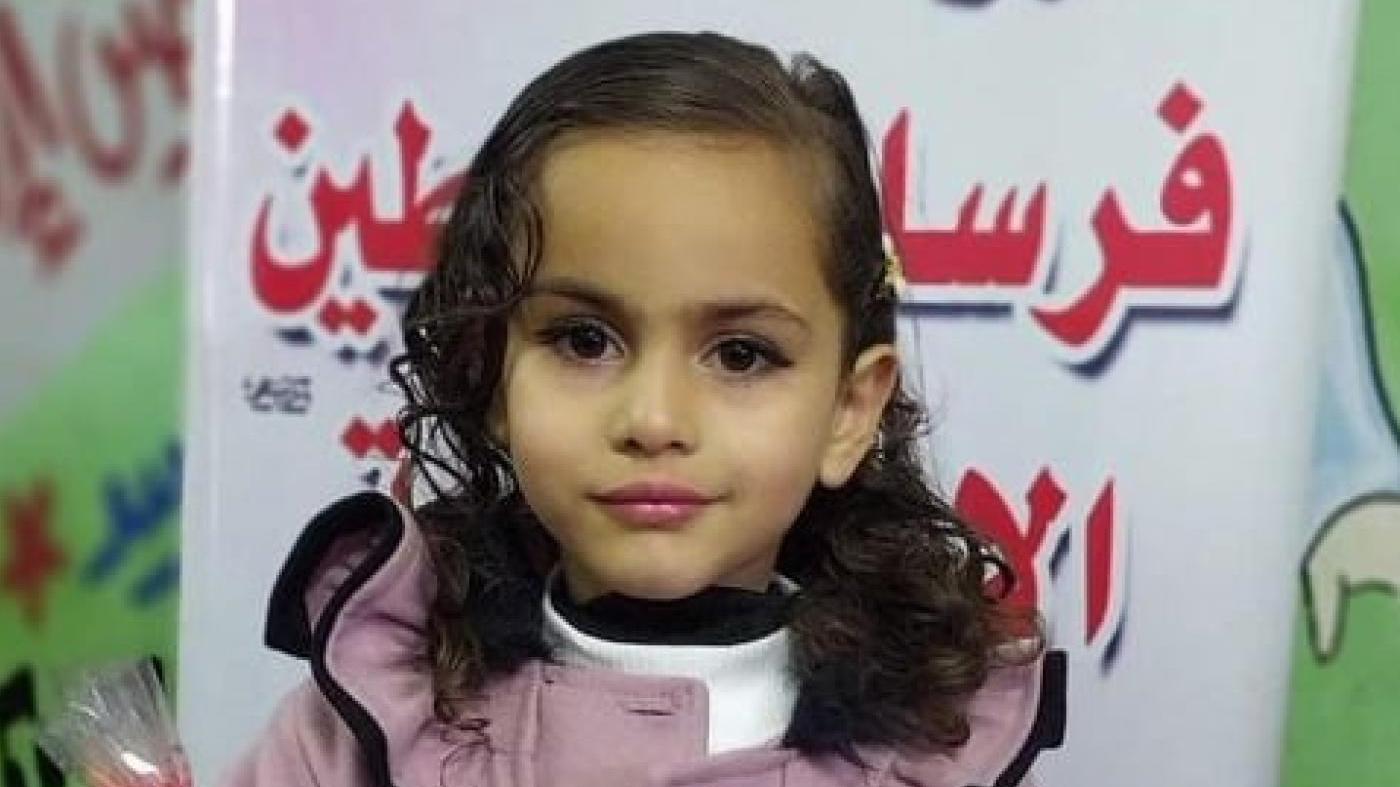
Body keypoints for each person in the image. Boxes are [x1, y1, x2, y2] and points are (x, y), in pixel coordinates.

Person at [224, 31, 1064, 787]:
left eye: (741, 354)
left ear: (849, 409)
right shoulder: (369, 720)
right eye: (584, 340)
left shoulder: (941, 755)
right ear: (492, 375)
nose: (654, 419)